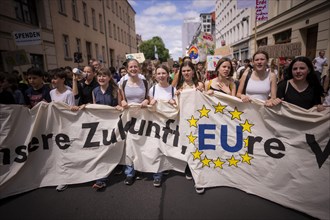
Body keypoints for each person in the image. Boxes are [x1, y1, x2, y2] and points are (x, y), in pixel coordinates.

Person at [175, 60, 204, 194]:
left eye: (188, 70)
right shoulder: (178, 86)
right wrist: (174, 97)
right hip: (184, 121)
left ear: (193, 71)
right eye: (184, 70)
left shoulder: (200, 84)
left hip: (198, 120)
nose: (186, 73)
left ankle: (197, 174)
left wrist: (203, 92)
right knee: (186, 143)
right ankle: (188, 166)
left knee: (196, 144)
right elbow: (174, 103)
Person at [91, 67, 123, 190]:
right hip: (101, 126)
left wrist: (120, 107)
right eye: (99, 76)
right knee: (102, 150)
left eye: (104, 76)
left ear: (109, 77)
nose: (101, 78)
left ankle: (119, 166)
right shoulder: (94, 91)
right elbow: (94, 107)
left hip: (114, 124)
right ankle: (101, 179)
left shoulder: (116, 90)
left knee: (113, 148)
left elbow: (120, 105)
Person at [119, 58, 149, 186]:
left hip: (143, 117)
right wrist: (122, 102)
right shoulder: (123, 83)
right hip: (128, 118)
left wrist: (146, 101)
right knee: (129, 144)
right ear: (127, 69)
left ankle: (140, 167)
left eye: (135, 67)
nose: (133, 69)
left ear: (139, 68)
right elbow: (120, 99)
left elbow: (148, 97)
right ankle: (129, 172)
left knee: (141, 142)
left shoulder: (145, 82)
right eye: (131, 67)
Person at [148, 64, 176, 187]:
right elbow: (149, 108)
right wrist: (151, 103)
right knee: (156, 148)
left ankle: (165, 167)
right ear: (155, 76)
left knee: (166, 147)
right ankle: (157, 174)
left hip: (168, 124)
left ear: (168, 74)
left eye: (163, 73)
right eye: (159, 73)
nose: (161, 76)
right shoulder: (152, 90)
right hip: (155, 124)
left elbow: (177, 107)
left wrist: (173, 102)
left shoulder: (173, 90)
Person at [48, 68, 75, 192]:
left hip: (66, 126)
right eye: (52, 78)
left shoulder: (69, 93)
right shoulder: (51, 93)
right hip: (55, 126)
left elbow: (71, 110)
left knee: (67, 151)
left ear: (63, 79)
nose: (53, 80)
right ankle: (61, 177)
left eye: (55, 78)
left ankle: (67, 178)